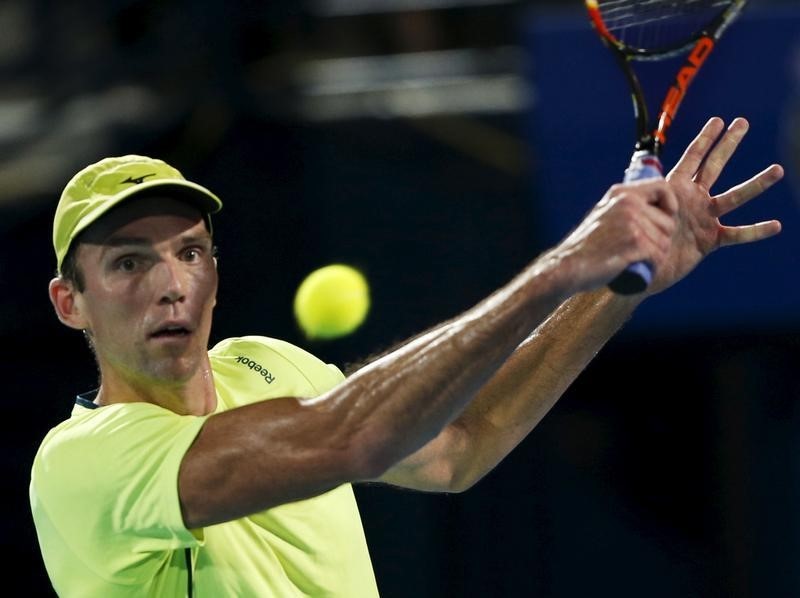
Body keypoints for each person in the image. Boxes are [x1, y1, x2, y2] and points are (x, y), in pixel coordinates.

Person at [29, 116, 783, 597]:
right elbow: (353, 438)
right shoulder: (81, 462)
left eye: (189, 252)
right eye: (128, 264)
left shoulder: (265, 366)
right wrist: (561, 268)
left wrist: (617, 287)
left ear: (216, 275)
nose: (170, 285)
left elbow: (459, 447)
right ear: (72, 304)